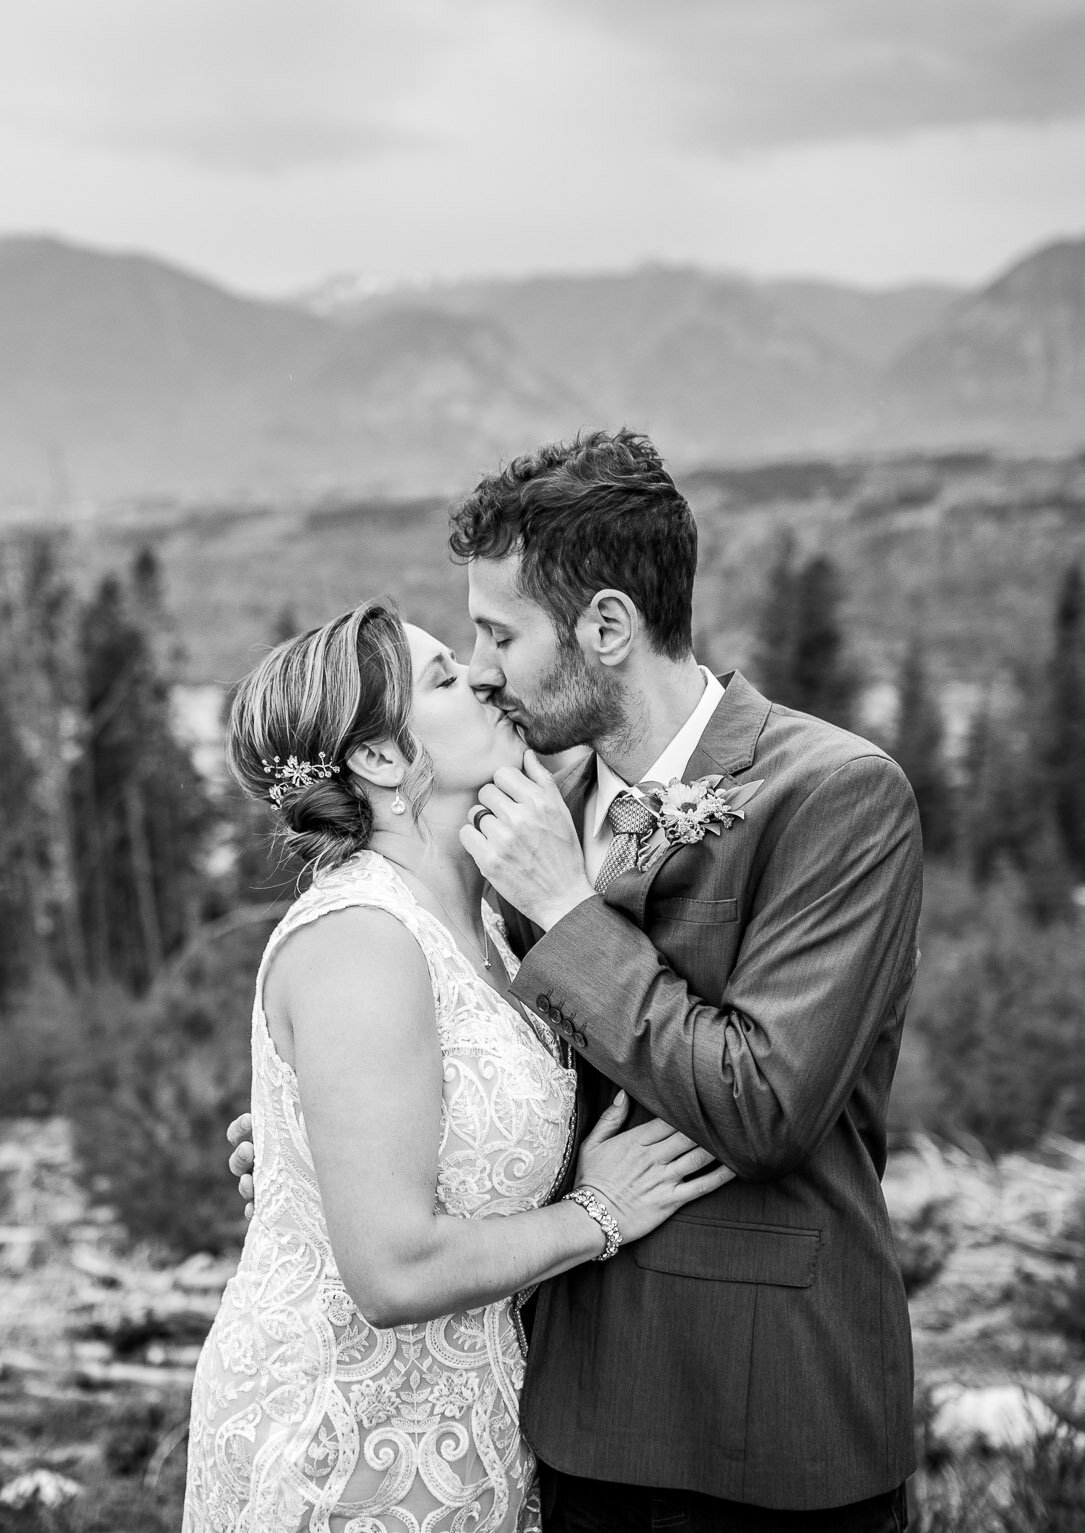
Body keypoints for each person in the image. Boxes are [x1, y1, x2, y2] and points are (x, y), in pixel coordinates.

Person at [228, 430, 926, 1531]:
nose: (487, 669)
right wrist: (334, 1136)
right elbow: (449, 1036)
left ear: (605, 625)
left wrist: (567, 912)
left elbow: (767, 1104)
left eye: (497, 635)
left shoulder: (832, 794)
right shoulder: (504, 805)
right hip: (559, 1417)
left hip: (766, 1416)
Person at [182, 597, 733, 1533]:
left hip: (473, 1428)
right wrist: (596, 1213)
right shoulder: (361, 938)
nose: (482, 677)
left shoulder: (487, 933)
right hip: (347, 1443)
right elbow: (391, 1270)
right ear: (383, 759)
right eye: (443, 676)